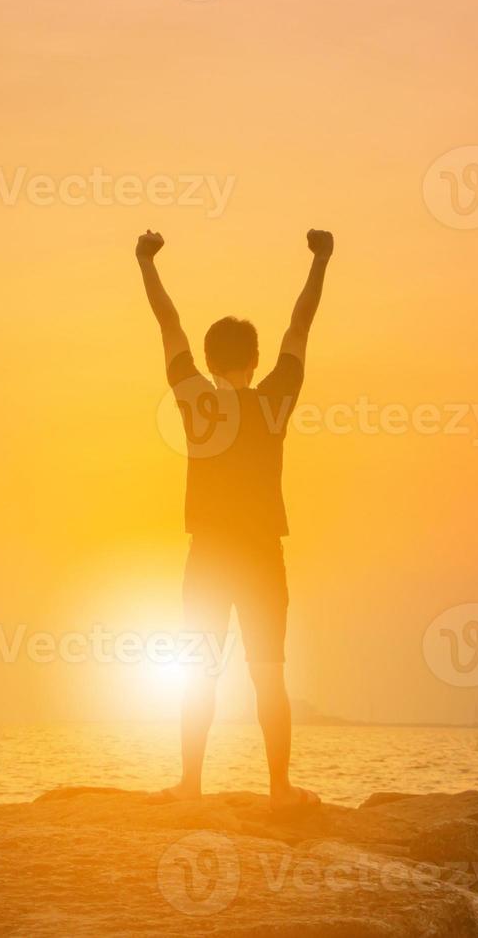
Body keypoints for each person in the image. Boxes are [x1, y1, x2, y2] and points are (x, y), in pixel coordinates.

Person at [136, 227, 334, 814]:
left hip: (209, 556)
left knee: (198, 671)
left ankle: (189, 785)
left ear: (210, 356)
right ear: (253, 359)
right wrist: (320, 260)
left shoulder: (195, 401)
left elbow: (166, 324)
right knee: (268, 674)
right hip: (261, 555)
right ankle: (280, 790)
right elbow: (301, 327)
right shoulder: (273, 401)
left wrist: (145, 261)